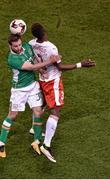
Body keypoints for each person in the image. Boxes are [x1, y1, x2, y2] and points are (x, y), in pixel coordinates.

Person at [29, 23, 96, 163]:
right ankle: (46, 145)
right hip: (53, 81)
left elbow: (33, 57)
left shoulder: (31, 43)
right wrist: (80, 64)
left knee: (43, 104)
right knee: (55, 112)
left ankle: (34, 129)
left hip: (42, 79)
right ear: (45, 32)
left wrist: (40, 69)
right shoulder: (51, 47)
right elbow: (59, 67)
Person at [0, 34, 60, 158]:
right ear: (10, 46)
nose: (19, 47)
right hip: (19, 90)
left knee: (37, 111)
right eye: (15, 46)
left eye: (20, 44)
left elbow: (34, 60)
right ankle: (1, 142)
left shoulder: (26, 46)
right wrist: (50, 61)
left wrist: (41, 71)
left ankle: (36, 141)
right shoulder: (12, 59)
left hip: (32, 85)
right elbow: (31, 67)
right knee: (13, 115)